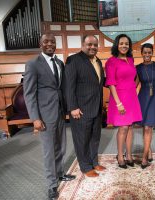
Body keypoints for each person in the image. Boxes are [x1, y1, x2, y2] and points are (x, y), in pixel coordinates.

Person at [23, 33, 75, 200]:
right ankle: (52, 185)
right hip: (44, 115)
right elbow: (29, 93)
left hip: (59, 111)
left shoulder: (59, 62)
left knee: (61, 147)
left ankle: (60, 174)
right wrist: (35, 118)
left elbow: (61, 88)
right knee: (48, 151)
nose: (50, 44)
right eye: (46, 41)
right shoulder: (33, 64)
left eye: (52, 41)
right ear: (41, 44)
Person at [65, 35, 106, 178]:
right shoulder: (73, 60)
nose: (92, 47)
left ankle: (94, 162)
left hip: (96, 107)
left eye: (95, 45)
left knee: (95, 137)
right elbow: (68, 86)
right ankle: (85, 166)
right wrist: (72, 107)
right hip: (80, 109)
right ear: (83, 44)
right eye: (89, 44)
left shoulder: (98, 61)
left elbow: (99, 83)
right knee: (82, 139)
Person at [105, 34, 142, 169]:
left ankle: (129, 155)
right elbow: (111, 83)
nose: (124, 46)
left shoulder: (130, 60)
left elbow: (136, 77)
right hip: (119, 97)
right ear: (116, 44)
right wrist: (118, 103)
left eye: (126, 43)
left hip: (131, 97)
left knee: (130, 126)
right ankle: (120, 155)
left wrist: (135, 89)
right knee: (123, 127)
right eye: (121, 43)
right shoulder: (111, 61)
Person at [136, 43, 155, 169]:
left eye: (149, 52)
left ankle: (144, 156)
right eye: (145, 52)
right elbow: (134, 85)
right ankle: (149, 150)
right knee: (145, 125)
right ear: (141, 53)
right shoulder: (138, 68)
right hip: (143, 98)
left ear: (152, 53)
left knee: (148, 127)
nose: (147, 55)